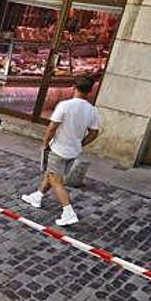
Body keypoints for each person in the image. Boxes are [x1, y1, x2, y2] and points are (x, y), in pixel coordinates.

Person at [21, 77, 100, 226]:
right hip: (73, 150)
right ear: (90, 92)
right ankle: (37, 196)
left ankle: (68, 211)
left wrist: (45, 143)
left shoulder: (65, 105)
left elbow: (52, 127)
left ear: (74, 88)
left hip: (58, 148)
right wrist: (81, 143)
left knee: (55, 180)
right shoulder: (92, 110)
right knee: (51, 174)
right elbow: (94, 133)